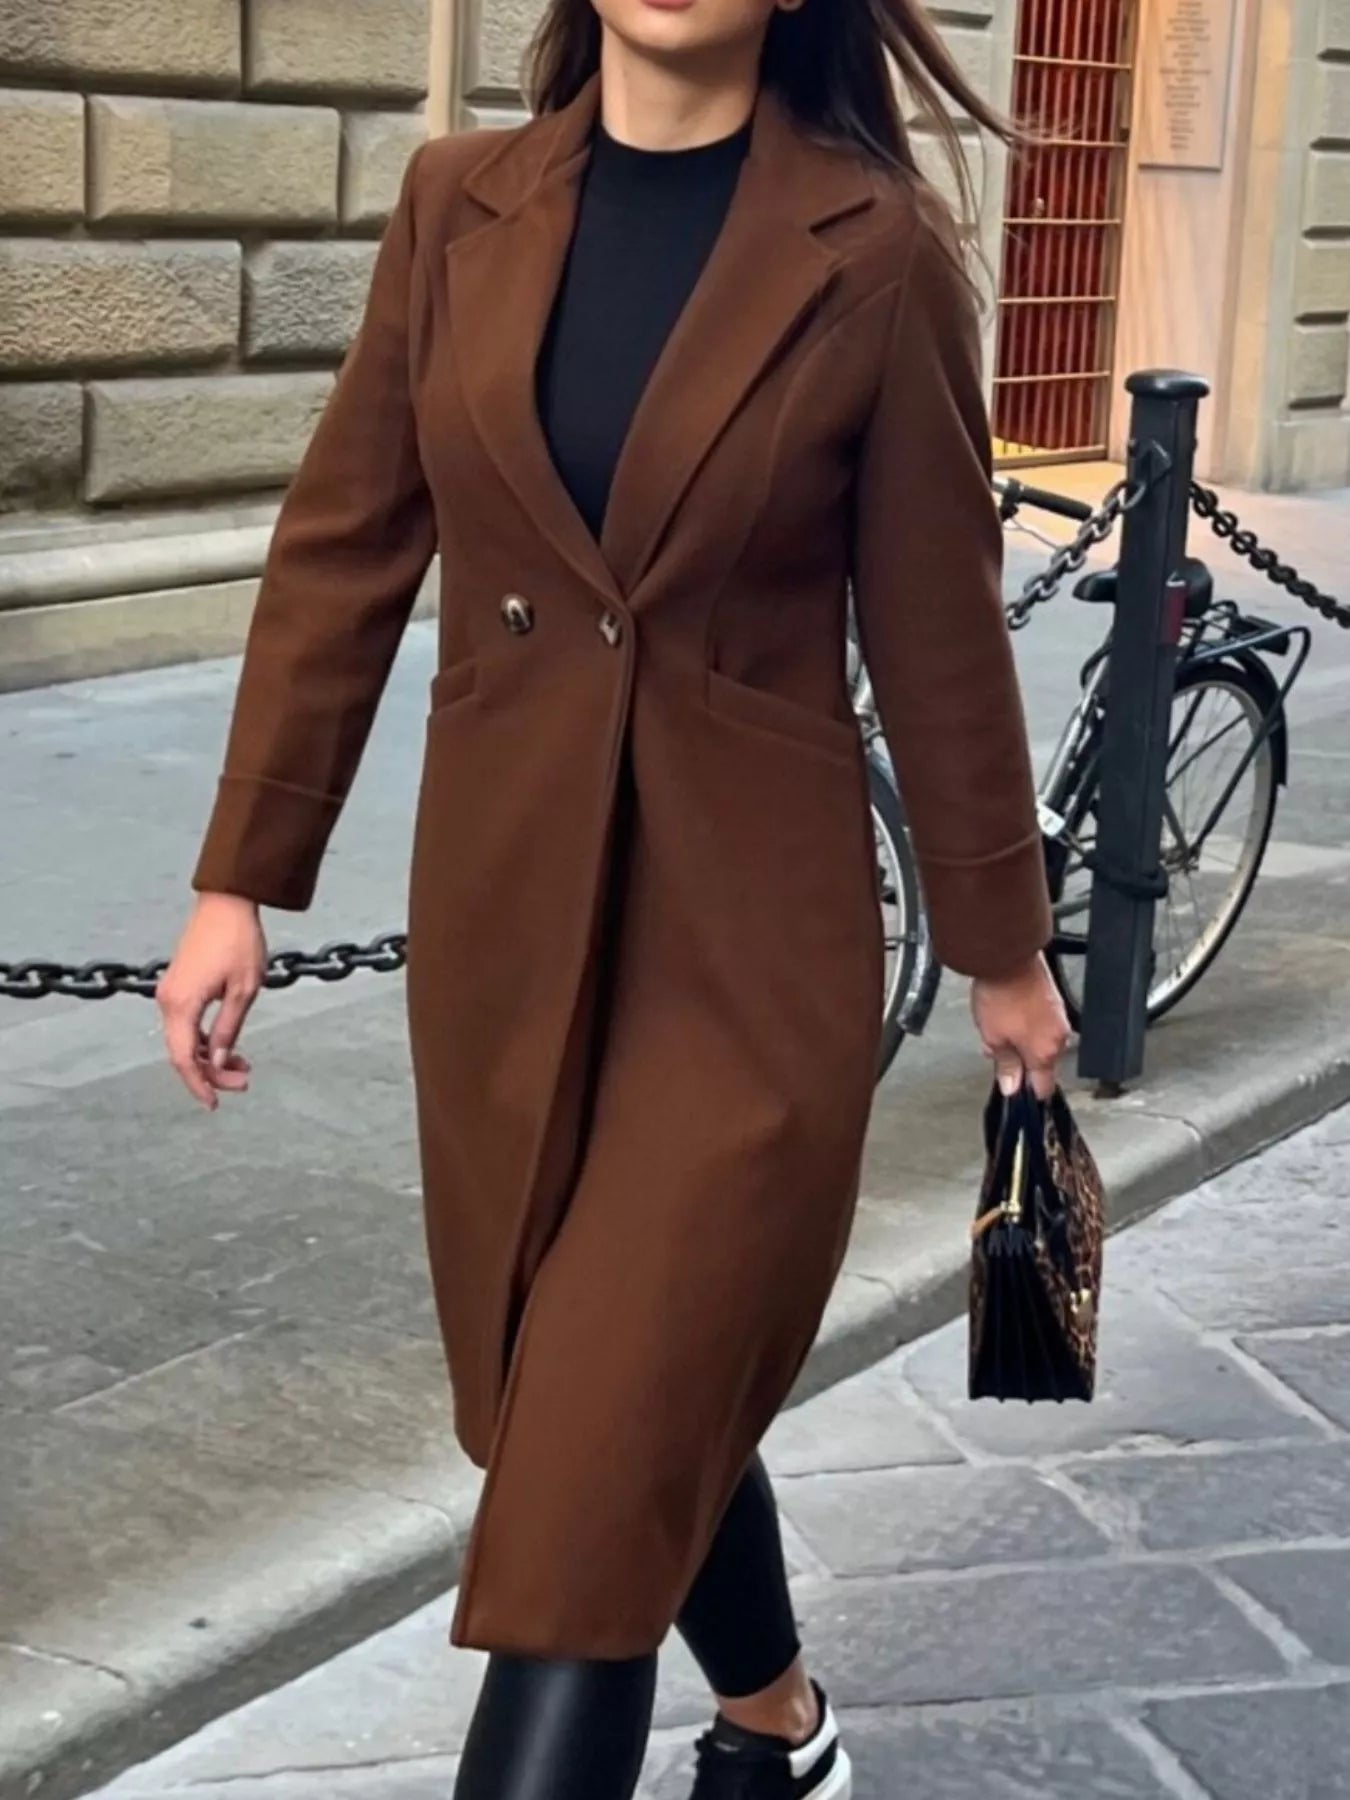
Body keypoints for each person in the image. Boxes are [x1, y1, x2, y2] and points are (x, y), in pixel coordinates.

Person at [157, 0, 1070, 1794]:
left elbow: (940, 628)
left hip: (750, 959)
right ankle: (777, 1718)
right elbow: (345, 543)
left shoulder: (873, 252)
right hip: (508, 930)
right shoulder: (457, 202)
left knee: (580, 1493)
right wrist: (239, 876)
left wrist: (1003, 948)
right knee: (599, 1396)